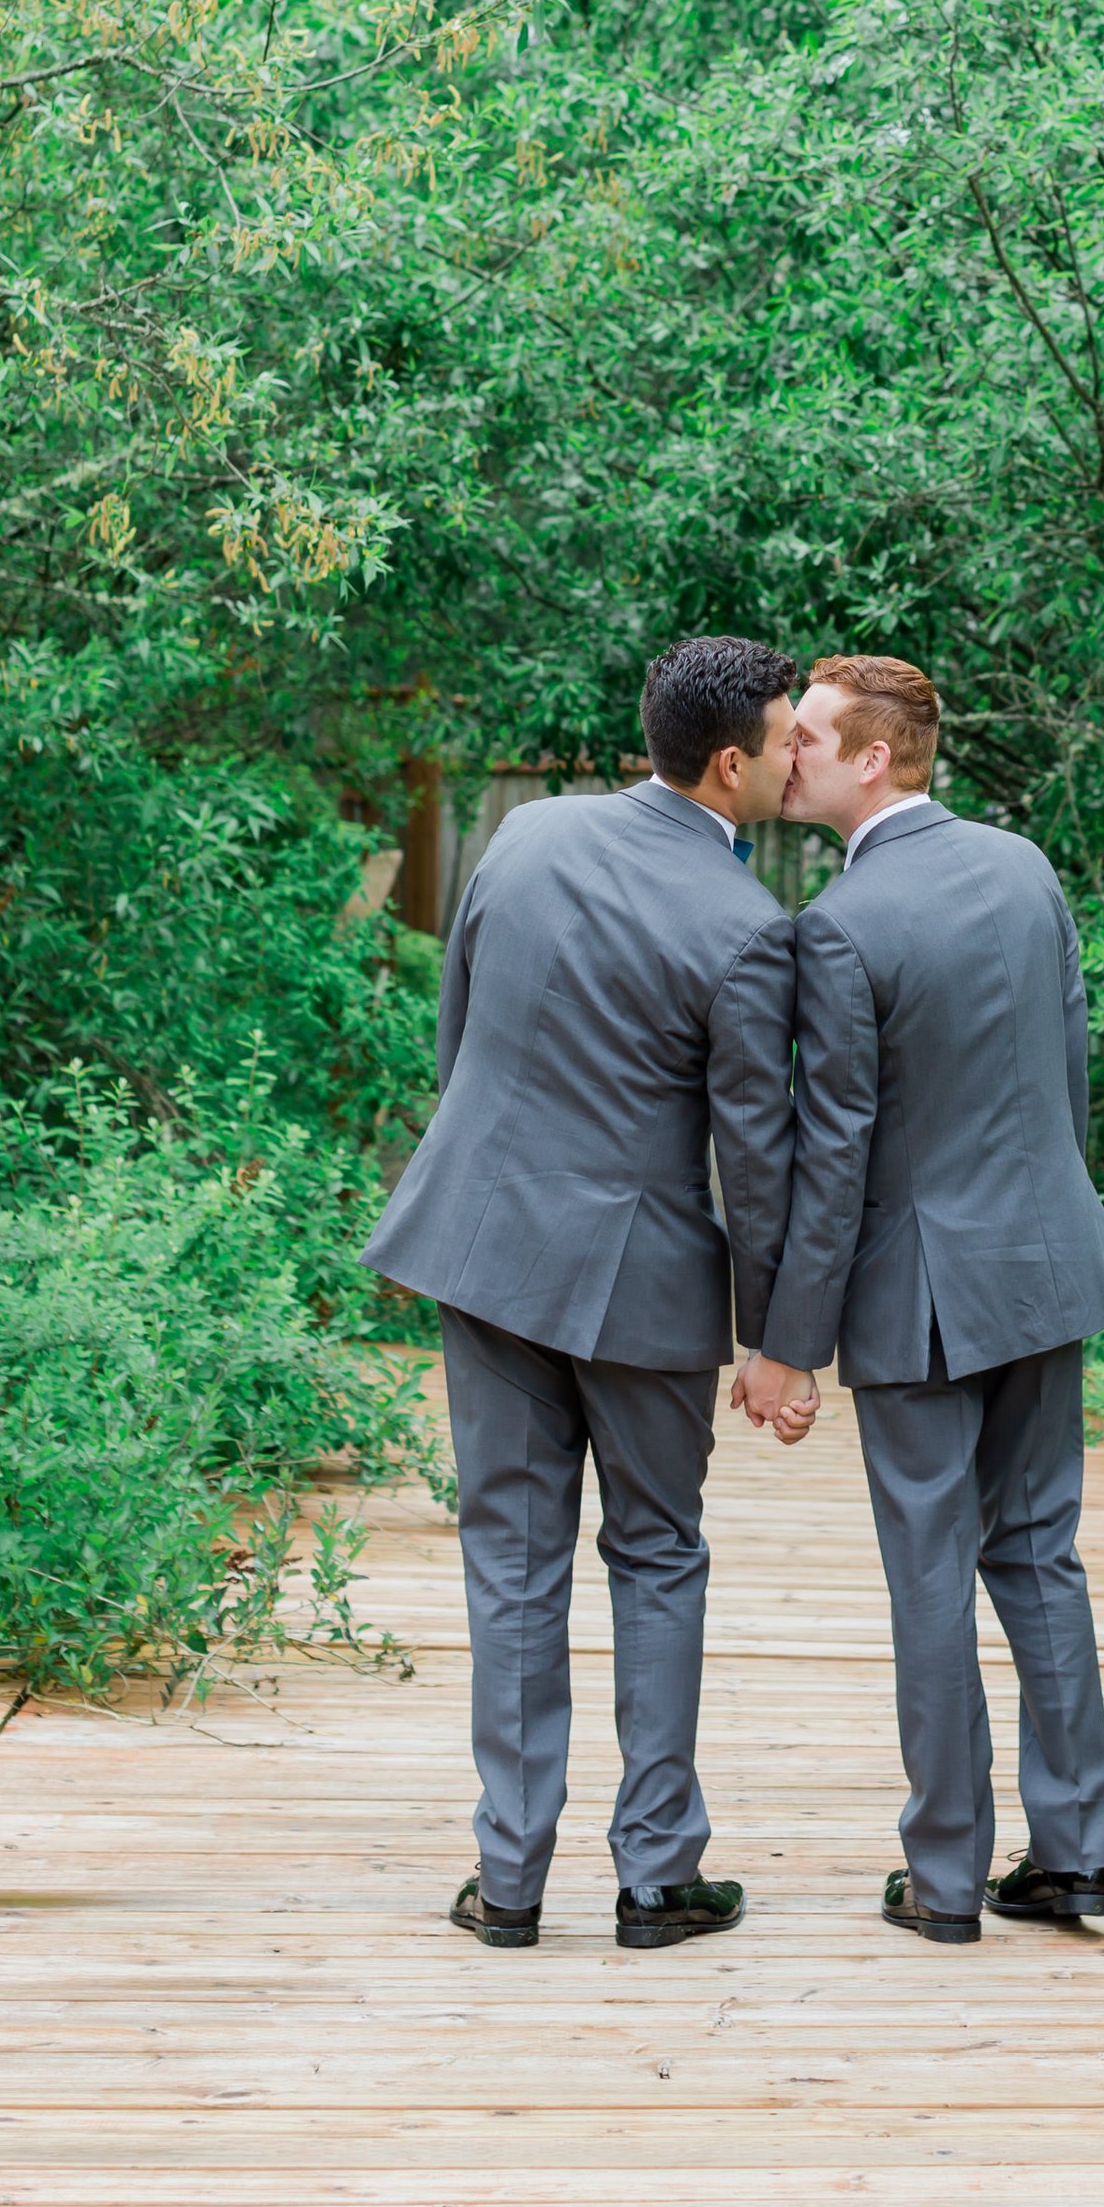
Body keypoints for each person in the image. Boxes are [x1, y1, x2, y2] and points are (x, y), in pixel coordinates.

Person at [361, 635, 819, 1954]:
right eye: (788, 735)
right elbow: (758, 1155)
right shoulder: (748, 928)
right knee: (658, 1551)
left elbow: (458, 1030)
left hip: (484, 1243)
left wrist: (472, 1187)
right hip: (642, 1284)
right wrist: (779, 1337)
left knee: (509, 1554)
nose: (798, 751)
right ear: (730, 764)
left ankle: (507, 1882)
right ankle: (656, 1878)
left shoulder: (523, 834)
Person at [740, 655, 1104, 1945]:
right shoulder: (1026, 868)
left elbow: (833, 1152)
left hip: (918, 1293)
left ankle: (948, 1879)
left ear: (872, 759)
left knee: (931, 1576)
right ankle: (1075, 1858)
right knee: (1041, 1558)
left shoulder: (840, 928)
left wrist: (787, 1346)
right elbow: (1067, 1076)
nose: (783, 751)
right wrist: (1056, 1231)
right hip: (1048, 1264)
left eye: (804, 734)